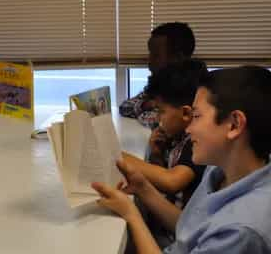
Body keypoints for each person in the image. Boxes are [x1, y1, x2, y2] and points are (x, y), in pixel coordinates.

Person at [93, 66, 271, 254]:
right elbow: (190, 230)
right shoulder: (219, 171)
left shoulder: (240, 231)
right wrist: (143, 188)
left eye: (196, 116)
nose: (188, 128)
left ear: (234, 125)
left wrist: (131, 214)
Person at [122, 59, 207, 247]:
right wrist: (157, 156)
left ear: (186, 113)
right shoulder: (176, 136)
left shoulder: (196, 143)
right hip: (171, 225)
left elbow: (172, 181)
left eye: (161, 111)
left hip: (174, 239)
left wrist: (118, 156)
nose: (158, 119)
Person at [119, 22, 196, 129]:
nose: (149, 60)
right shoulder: (160, 82)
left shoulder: (196, 90)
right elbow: (125, 107)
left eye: (155, 55)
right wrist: (146, 105)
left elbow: (162, 124)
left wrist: (144, 112)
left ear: (178, 57)